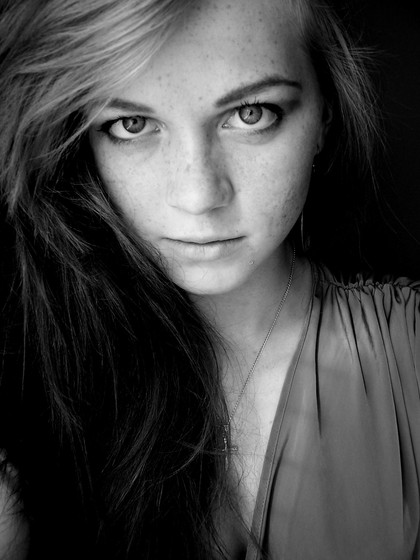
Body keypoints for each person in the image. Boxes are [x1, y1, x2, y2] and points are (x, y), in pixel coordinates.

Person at [0, 0, 418, 559]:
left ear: (325, 118)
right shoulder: (26, 380)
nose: (198, 196)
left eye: (251, 114)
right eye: (131, 125)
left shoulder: (411, 357)